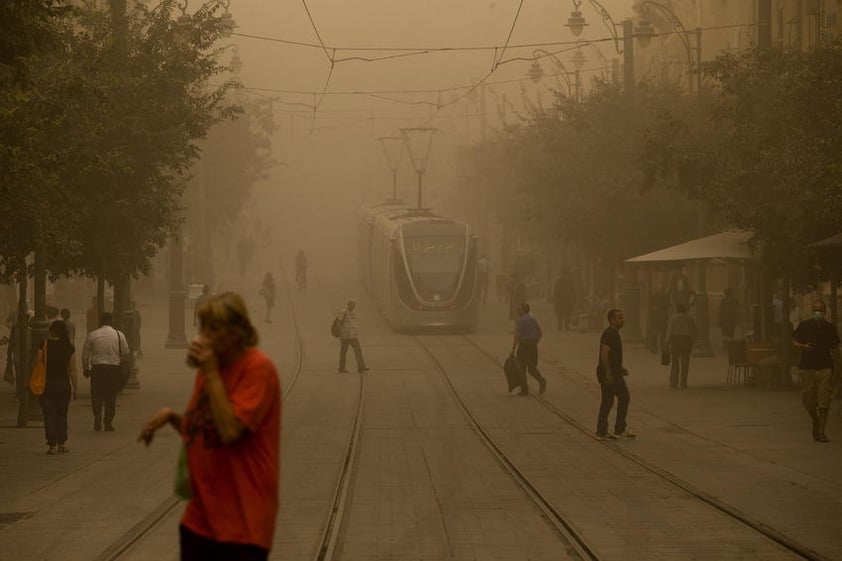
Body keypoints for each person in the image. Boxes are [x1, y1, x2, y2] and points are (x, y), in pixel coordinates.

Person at [138, 292, 281, 560]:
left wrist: (212, 372)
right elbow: (205, 432)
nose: (204, 335)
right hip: (200, 517)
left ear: (238, 332)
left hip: (242, 521)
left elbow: (230, 431)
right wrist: (172, 418)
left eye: (214, 328)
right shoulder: (210, 370)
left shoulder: (257, 369)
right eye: (202, 327)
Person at [792, 300, 840, 442]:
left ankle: (821, 432)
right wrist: (803, 346)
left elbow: (835, 350)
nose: (818, 313)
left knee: (824, 400)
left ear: (825, 312)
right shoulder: (805, 326)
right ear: (813, 311)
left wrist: (837, 371)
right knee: (808, 399)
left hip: (825, 367)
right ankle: (815, 419)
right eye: (816, 310)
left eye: (821, 310)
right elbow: (793, 341)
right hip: (808, 367)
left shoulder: (830, 328)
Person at [82, 312, 130, 432]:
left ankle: (97, 414)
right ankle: (108, 422)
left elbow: (85, 354)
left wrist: (86, 369)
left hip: (97, 368)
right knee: (111, 396)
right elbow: (125, 354)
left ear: (101, 321)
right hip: (113, 369)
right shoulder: (119, 335)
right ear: (111, 321)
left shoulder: (92, 335)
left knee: (96, 394)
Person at [596, 309, 636, 440]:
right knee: (624, 397)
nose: (622, 320)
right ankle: (619, 428)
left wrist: (620, 367)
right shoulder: (611, 334)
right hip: (611, 374)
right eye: (619, 318)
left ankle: (602, 431)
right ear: (611, 320)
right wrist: (609, 373)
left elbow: (611, 355)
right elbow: (604, 353)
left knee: (607, 401)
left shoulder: (613, 333)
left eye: (622, 317)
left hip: (612, 372)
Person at [39, 320, 78, 454]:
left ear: (52, 331)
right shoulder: (68, 347)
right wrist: (76, 388)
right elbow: (72, 369)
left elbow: (36, 364)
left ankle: (51, 445)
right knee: (62, 414)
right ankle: (61, 444)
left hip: (47, 383)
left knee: (49, 414)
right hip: (63, 384)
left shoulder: (44, 345)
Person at [511, 302, 546, 396]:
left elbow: (517, 335)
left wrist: (513, 348)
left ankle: (524, 390)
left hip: (523, 346)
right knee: (531, 368)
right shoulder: (533, 319)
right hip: (533, 345)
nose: (518, 311)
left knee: (521, 368)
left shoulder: (520, 321)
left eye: (519, 309)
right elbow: (540, 333)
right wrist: (534, 343)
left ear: (523, 310)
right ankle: (541, 380)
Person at [666, 303, 697, 389]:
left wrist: (667, 341)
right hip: (686, 341)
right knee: (685, 363)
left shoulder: (673, 318)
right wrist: (693, 342)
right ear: (685, 310)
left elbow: (670, 330)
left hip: (675, 340)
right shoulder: (689, 319)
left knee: (675, 362)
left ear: (677, 309)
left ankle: (673, 382)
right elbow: (693, 332)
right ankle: (683, 382)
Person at [337, 299, 369, 373]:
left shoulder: (353, 312)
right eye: (352, 305)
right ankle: (341, 368)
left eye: (354, 305)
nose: (354, 307)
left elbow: (353, 323)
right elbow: (338, 322)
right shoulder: (343, 312)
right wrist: (341, 332)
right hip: (345, 336)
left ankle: (361, 367)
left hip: (353, 335)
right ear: (349, 305)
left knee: (358, 351)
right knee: (343, 352)